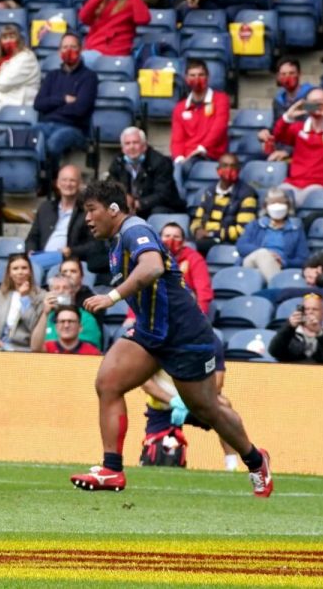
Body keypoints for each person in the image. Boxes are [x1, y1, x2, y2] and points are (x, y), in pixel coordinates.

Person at [70, 178, 271, 495]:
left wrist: (112, 297)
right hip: (152, 332)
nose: (87, 219)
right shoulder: (117, 240)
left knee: (208, 409)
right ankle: (111, 470)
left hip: (185, 335)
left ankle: (256, 460)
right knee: (108, 382)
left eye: (92, 210)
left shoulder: (135, 229)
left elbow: (151, 267)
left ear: (112, 209)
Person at [33, 35, 97, 180]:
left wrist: (52, 107)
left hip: (74, 129)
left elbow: (80, 109)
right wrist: (63, 99)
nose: (69, 51)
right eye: (65, 47)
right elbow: (38, 104)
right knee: (30, 136)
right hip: (46, 124)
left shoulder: (89, 77)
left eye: (73, 47)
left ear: (81, 50)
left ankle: (50, 182)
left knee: (53, 143)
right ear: (59, 52)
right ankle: (38, 179)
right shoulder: (52, 76)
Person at [169, 60, 229, 196]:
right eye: (192, 75)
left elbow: (218, 129)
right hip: (187, 157)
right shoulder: (180, 107)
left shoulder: (221, 99)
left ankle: (179, 200)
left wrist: (201, 148)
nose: (196, 79)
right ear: (186, 78)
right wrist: (179, 158)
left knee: (180, 169)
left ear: (207, 77)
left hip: (211, 153)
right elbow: (177, 139)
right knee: (172, 166)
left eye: (201, 75)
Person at [188, 154, 258, 254]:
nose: (229, 169)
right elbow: (197, 219)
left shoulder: (247, 195)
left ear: (239, 170)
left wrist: (212, 234)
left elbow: (243, 230)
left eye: (233, 166)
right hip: (205, 239)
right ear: (218, 169)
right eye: (225, 165)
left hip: (227, 241)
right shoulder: (209, 192)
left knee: (193, 248)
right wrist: (197, 230)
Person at [105, 127, 178, 219]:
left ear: (144, 146)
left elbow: (164, 194)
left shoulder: (160, 162)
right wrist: (124, 199)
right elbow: (111, 186)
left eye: (135, 143)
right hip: (128, 207)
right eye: (127, 143)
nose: (132, 147)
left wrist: (138, 204)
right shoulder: (117, 162)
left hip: (156, 207)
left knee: (158, 211)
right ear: (123, 149)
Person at [236, 193, 307, 280]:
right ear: (265, 206)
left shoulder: (295, 229)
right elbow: (241, 246)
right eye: (272, 203)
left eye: (281, 202)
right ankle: (278, 285)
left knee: (259, 275)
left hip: (278, 265)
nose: (277, 206)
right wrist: (268, 253)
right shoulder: (255, 225)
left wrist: (284, 261)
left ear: (288, 206)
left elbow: (303, 258)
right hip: (252, 262)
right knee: (262, 254)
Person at [0, 254, 43, 352]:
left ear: (30, 271)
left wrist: (24, 297)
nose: (20, 272)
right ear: (9, 273)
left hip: (23, 348)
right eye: (15, 269)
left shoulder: (41, 296)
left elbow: (32, 325)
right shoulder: (2, 294)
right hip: (0, 345)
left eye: (24, 268)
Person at [0, 23, 39, 111]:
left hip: (16, 102)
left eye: (12, 37)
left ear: (19, 39)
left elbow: (4, 82)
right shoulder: (1, 58)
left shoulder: (26, 57)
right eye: (5, 38)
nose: (8, 41)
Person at [270, 294, 323, 364]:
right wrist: (289, 327)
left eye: (315, 309)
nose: (310, 312)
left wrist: (320, 333)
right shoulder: (290, 334)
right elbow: (274, 352)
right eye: (307, 309)